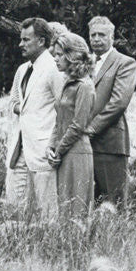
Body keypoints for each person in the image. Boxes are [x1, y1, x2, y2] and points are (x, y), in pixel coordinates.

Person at [5, 17, 65, 222]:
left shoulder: (54, 68)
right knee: (16, 206)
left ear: (41, 41)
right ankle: (19, 245)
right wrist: (21, 108)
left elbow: (63, 108)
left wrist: (54, 143)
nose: (20, 44)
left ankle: (48, 248)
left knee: (47, 210)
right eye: (20, 39)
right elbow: (14, 99)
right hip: (19, 147)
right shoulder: (22, 70)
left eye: (26, 39)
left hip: (42, 149)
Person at [85, 16, 136, 206]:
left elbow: (118, 102)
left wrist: (90, 129)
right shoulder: (83, 63)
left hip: (110, 143)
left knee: (114, 203)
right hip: (82, 143)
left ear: (112, 37)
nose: (96, 39)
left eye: (102, 35)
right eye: (93, 35)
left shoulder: (125, 63)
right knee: (87, 203)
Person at [47, 32, 96, 221]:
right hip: (64, 151)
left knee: (77, 210)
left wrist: (58, 151)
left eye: (59, 55)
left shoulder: (84, 85)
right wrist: (51, 147)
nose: (56, 59)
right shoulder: (67, 82)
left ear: (72, 55)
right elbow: (59, 119)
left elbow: (78, 125)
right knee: (64, 209)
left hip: (77, 153)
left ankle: (78, 248)